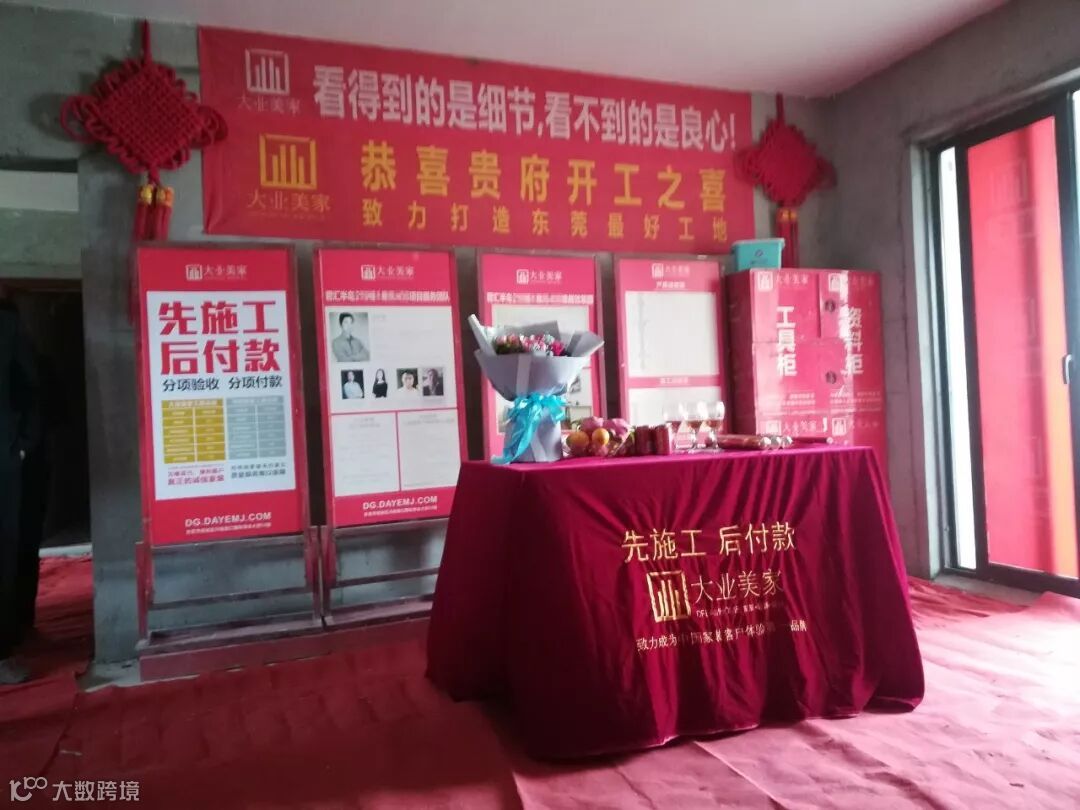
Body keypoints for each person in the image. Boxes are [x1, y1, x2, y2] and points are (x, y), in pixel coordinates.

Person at [0, 295, 40, 685]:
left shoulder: (7, 327)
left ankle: (4, 647)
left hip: (4, 457)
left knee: (5, 549)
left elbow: (30, 389)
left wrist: (22, 444)